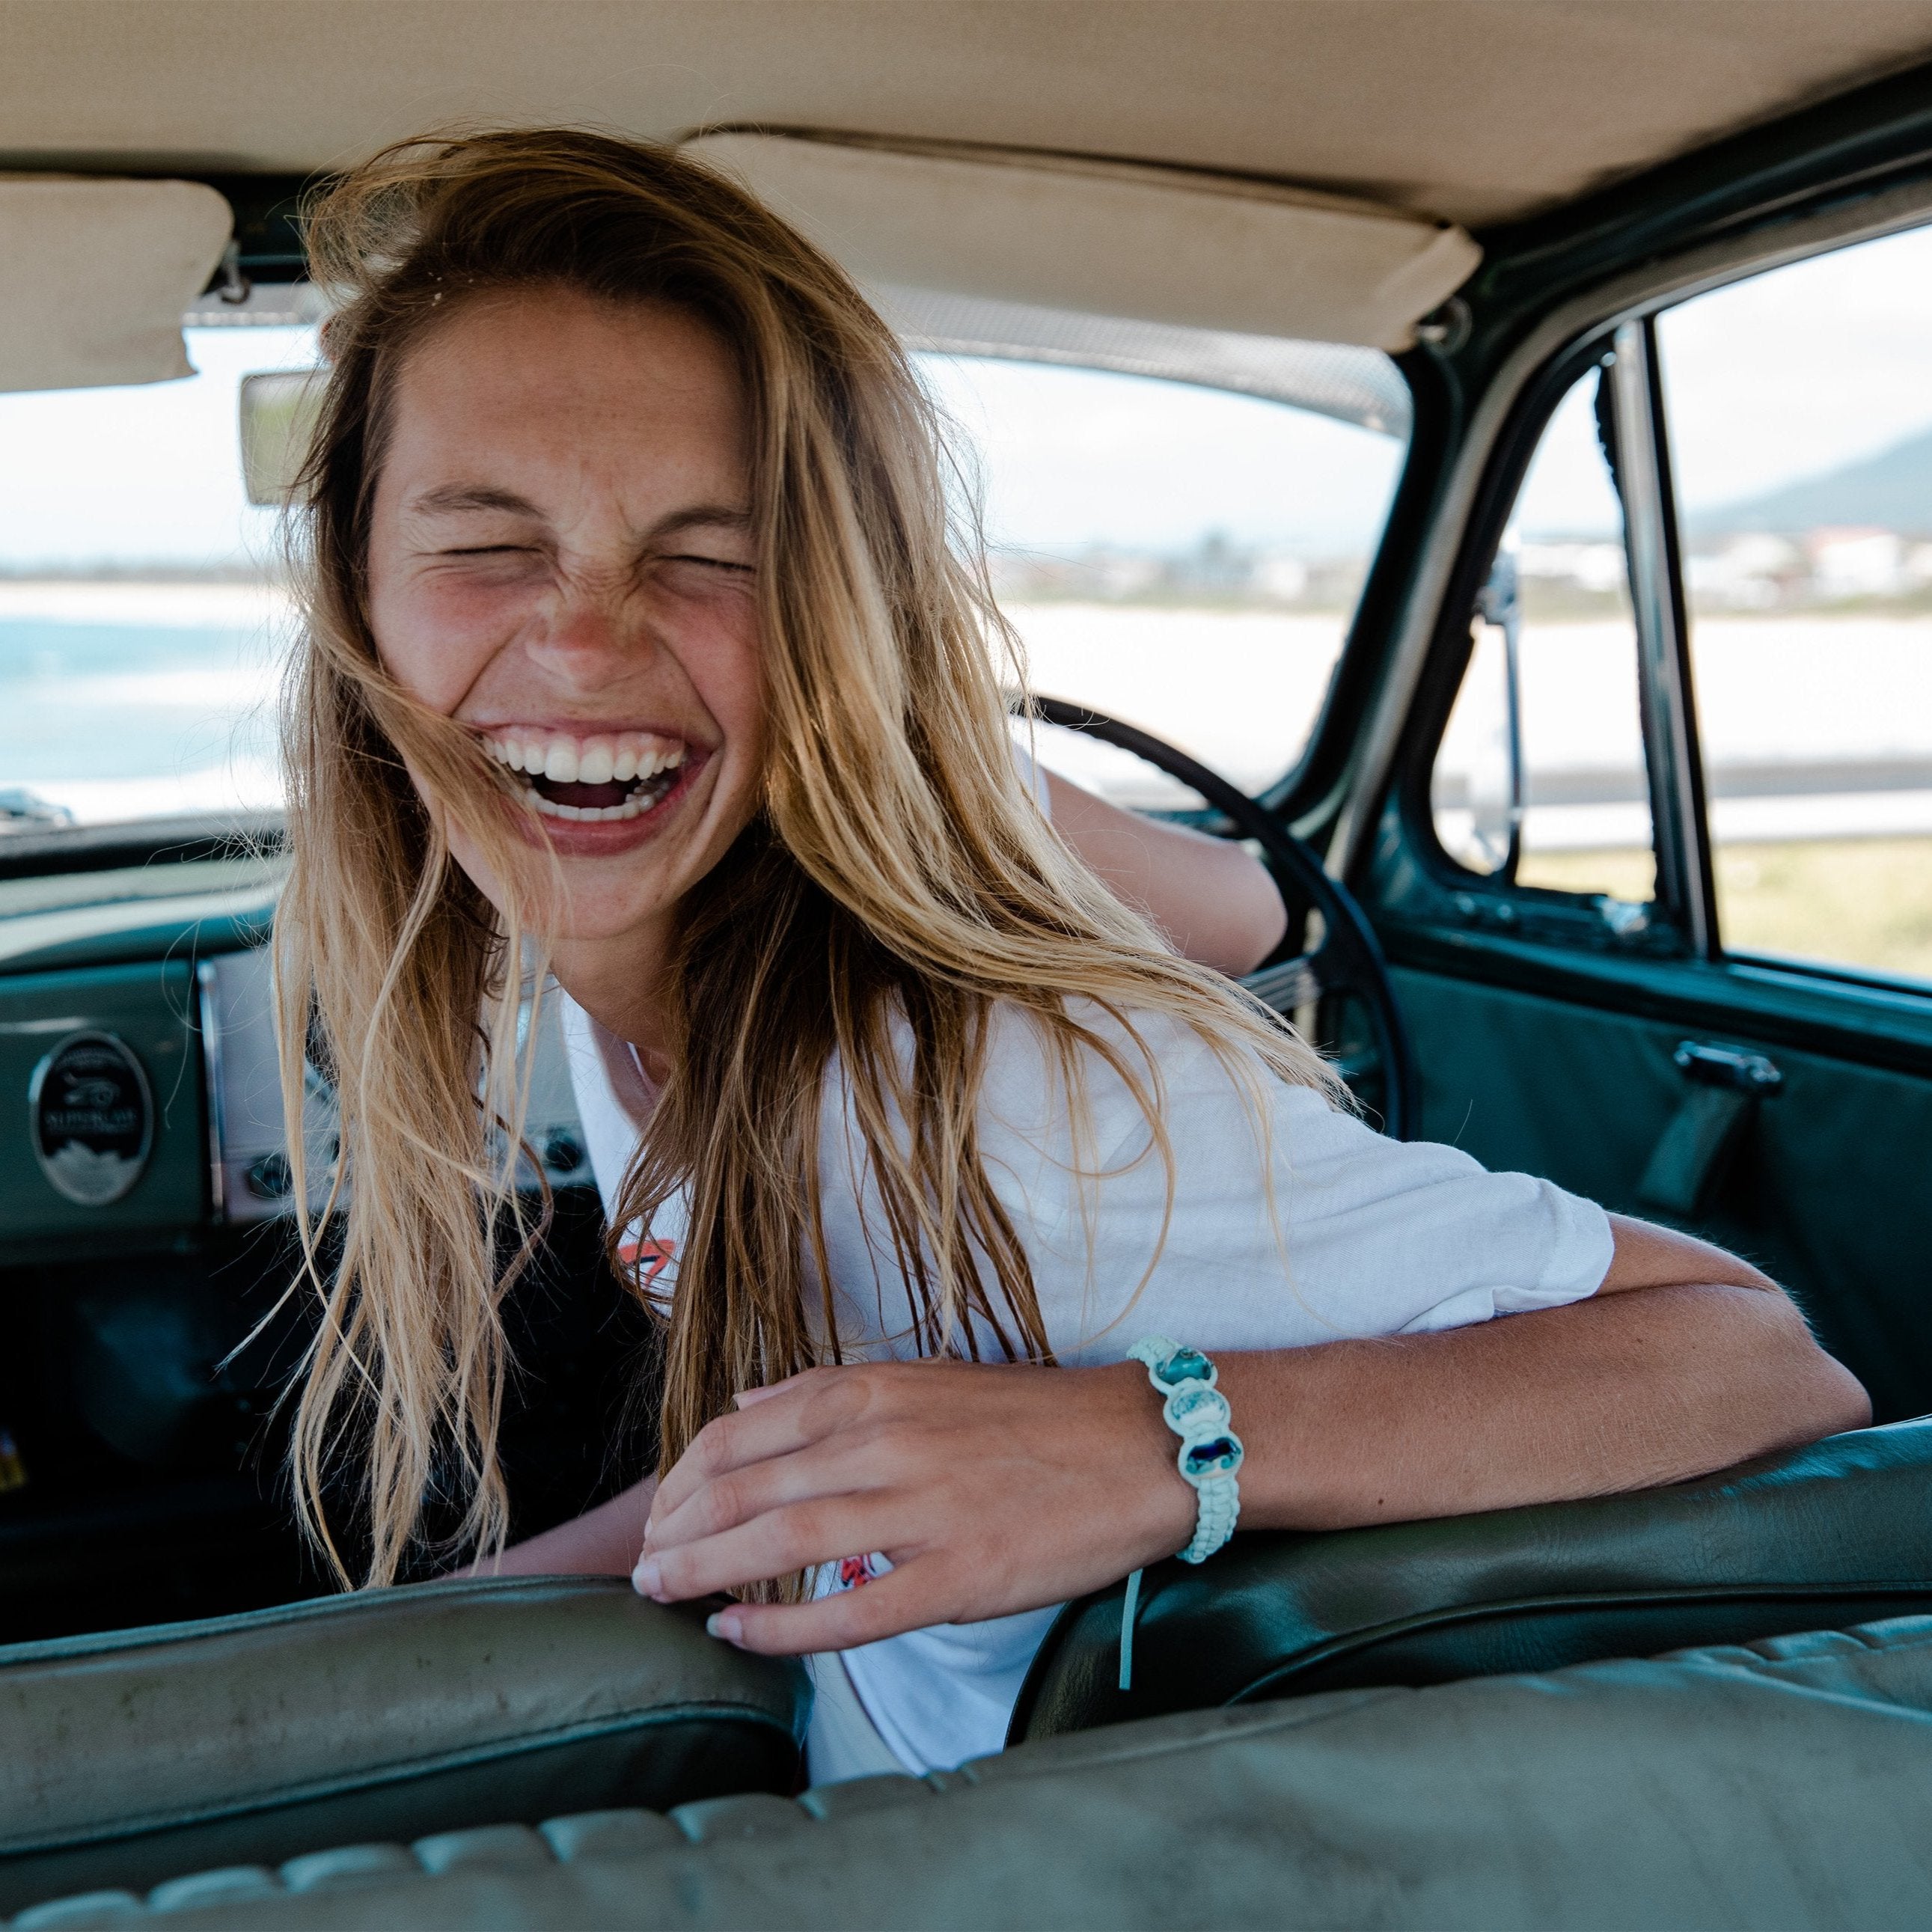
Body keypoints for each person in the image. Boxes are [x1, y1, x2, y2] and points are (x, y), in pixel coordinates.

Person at [274, 128, 1870, 1786]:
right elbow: (803, 1465)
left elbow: (1746, 1358)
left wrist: (1152, 1441)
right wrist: (419, 1634)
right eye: (485, 543)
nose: (586, 640)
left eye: (712, 555)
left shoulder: (1009, 1096)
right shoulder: (640, 965)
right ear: (358, 594)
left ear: (831, 624)